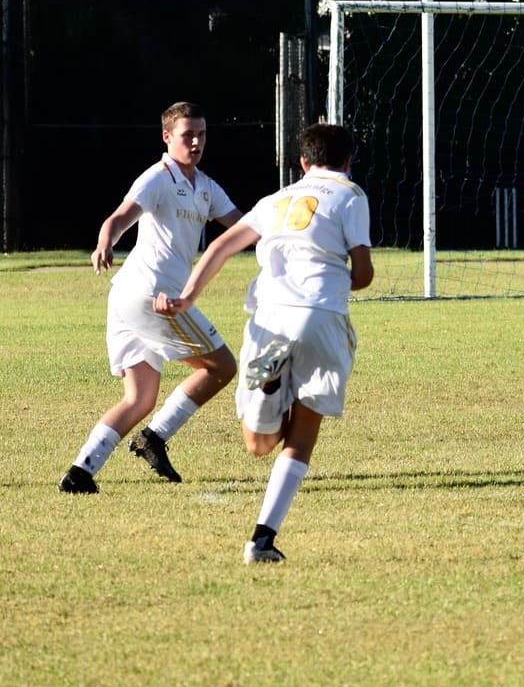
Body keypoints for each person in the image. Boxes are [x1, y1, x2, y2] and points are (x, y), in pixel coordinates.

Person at [154, 123, 374, 563]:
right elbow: (364, 273)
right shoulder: (351, 195)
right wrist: (338, 281)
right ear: (347, 162)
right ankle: (261, 539)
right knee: (302, 434)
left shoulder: (276, 199)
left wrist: (188, 297)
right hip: (320, 316)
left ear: (303, 163)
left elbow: (221, 246)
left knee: (258, 444)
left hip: (269, 319)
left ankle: (271, 387)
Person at [58, 101, 242, 495]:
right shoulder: (158, 177)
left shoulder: (206, 187)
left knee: (139, 397)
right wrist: (105, 242)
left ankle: (80, 471)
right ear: (166, 137)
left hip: (126, 297)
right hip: (151, 296)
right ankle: (154, 437)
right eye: (187, 135)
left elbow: (243, 227)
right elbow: (120, 216)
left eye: (202, 134)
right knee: (222, 367)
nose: (196, 142)